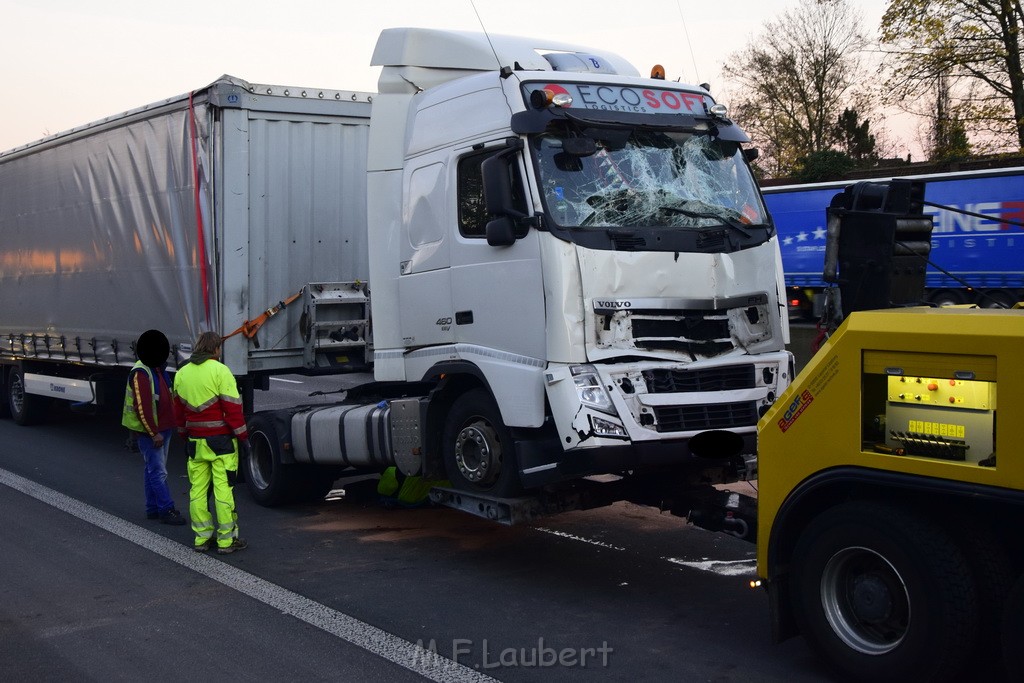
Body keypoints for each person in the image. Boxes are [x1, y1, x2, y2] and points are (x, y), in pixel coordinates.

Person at [172, 331, 248, 554]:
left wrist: (184, 433)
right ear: (216, 349)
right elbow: (233, 409)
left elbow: (179, 411)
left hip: (195, 442)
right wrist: (243, 438)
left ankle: (202, 539)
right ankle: (226, 541)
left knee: (197, 491)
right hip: (221, 443)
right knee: (223, 491)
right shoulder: (220, 371)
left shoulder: (182, 373)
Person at [122, 329, 186, 525]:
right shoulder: (141, 372)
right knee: (158, 471)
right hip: (153, 431)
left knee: (153, 469)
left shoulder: (156, 367)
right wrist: (153, 433)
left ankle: (153, 508)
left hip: (163, 428)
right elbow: (142, 407)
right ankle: (166, 509)